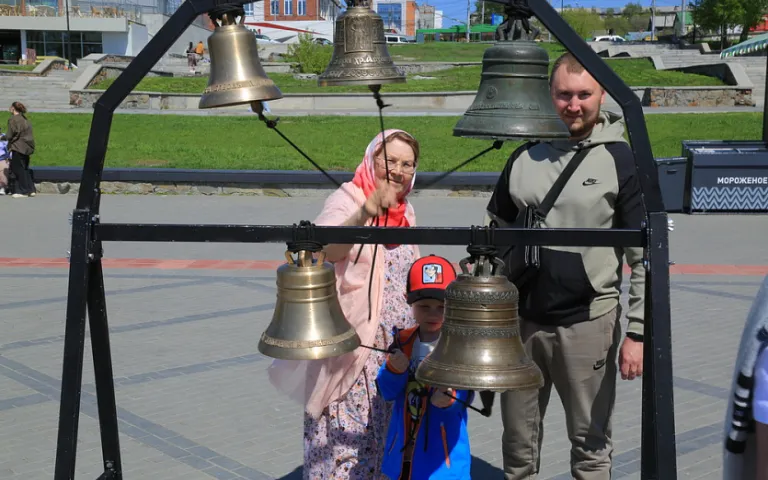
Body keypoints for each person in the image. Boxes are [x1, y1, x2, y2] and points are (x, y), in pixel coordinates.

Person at [485, 52, 646, 479]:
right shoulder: (523, 156)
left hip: (588, 323)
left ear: (602, 95)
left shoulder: (619, 159)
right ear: (548, 95)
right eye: (563, 95)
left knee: (590, 448)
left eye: (583, 95)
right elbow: (493, 237)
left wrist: (637, 332)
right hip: (521, 324)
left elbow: (643, 257)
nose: (573, 105)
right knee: (517, 448)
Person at [267, 129, 422, 479]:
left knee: (386, 446)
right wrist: (364, 212)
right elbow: (326, 250)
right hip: (354, 351)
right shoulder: (348, 198)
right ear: (371, 160)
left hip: (395, 354)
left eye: (408, 164)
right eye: (390, 161)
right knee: (348, 447)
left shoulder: (407, 211)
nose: (398, 171)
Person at [376, 254, 474, 480]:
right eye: (424, 306)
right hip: (402, 456)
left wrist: (450, 399)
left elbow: (467, 392)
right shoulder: (402, 341)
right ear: (408, 300)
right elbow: (386, 392)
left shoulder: (459, 345)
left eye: (441, 306)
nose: (433, 313)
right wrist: (394, 370)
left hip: (443, 464)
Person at [4, 102, 36, 198]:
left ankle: (22, 191)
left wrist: (2, 138)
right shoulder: (25, 119)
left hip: (17, 147)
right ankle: (31, 189)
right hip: (27, 147)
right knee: (25, 168)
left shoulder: (13, 119)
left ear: (13, 108)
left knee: (17, 169)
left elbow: (10, 135)